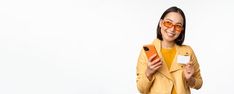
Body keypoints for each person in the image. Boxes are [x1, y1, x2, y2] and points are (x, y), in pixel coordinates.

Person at [136, 6, 203, 94]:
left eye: (178, 26)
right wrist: (148, 73)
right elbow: (141, 89)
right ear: (160, 23)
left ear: (182, 30)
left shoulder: (188, 51)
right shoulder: (147, 51)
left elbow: (199, 83)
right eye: (168, 23)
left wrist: (190, 79)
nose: (172, 29)